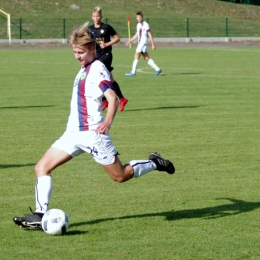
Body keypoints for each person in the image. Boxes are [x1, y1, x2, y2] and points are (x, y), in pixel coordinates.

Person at [13, 22, 175, 229]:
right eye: (74, 52)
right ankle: (39, 214)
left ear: (92, 49)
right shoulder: (84, 68)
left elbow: (112, 97)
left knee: (120, 176)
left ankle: (154, 163)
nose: (77, 56)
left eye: (81, 52)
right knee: (41, 167)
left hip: (93, 134)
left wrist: (107, 121)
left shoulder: (97, 68)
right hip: (72, 134)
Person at [89, 6, 128, 112]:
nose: (96, 18)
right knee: (110, 79)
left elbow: (117, 38)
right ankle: (121, 98)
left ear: (101, 16)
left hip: (106, 55)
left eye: (98, 16)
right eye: (94, 16)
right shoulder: (90, 29)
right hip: (96, 57)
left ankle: (105, 100)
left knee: (100, 77)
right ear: (92, 17)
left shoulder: (106, 27)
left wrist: (107, 44)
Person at [125, 11, 162, 76]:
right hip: (140, 43)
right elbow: (136, 35)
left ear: (142, 17)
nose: (139, 18)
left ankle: (133, 72)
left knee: (136, 56)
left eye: (140, 17)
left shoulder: (145, 24)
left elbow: (149, 34)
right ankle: (157, 69)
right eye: (137, 17)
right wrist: (129, 41)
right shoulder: (138, 25)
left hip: (143, 43)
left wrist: (153, 44)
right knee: (146, 58)